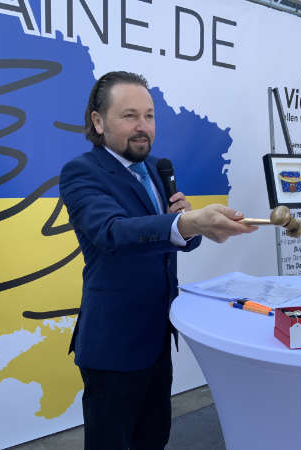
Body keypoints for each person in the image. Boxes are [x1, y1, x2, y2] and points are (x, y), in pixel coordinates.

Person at [59, 71, 256, 450]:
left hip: (158, 336)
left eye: (149, 116)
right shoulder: (81, 172)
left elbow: (171, 243)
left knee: (154, 438)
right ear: (98, 122)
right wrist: (186, 222)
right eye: (129, 115)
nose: (143, 126)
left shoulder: (155, 169)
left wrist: (189, 225)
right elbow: (111, 233)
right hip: (113, 344)